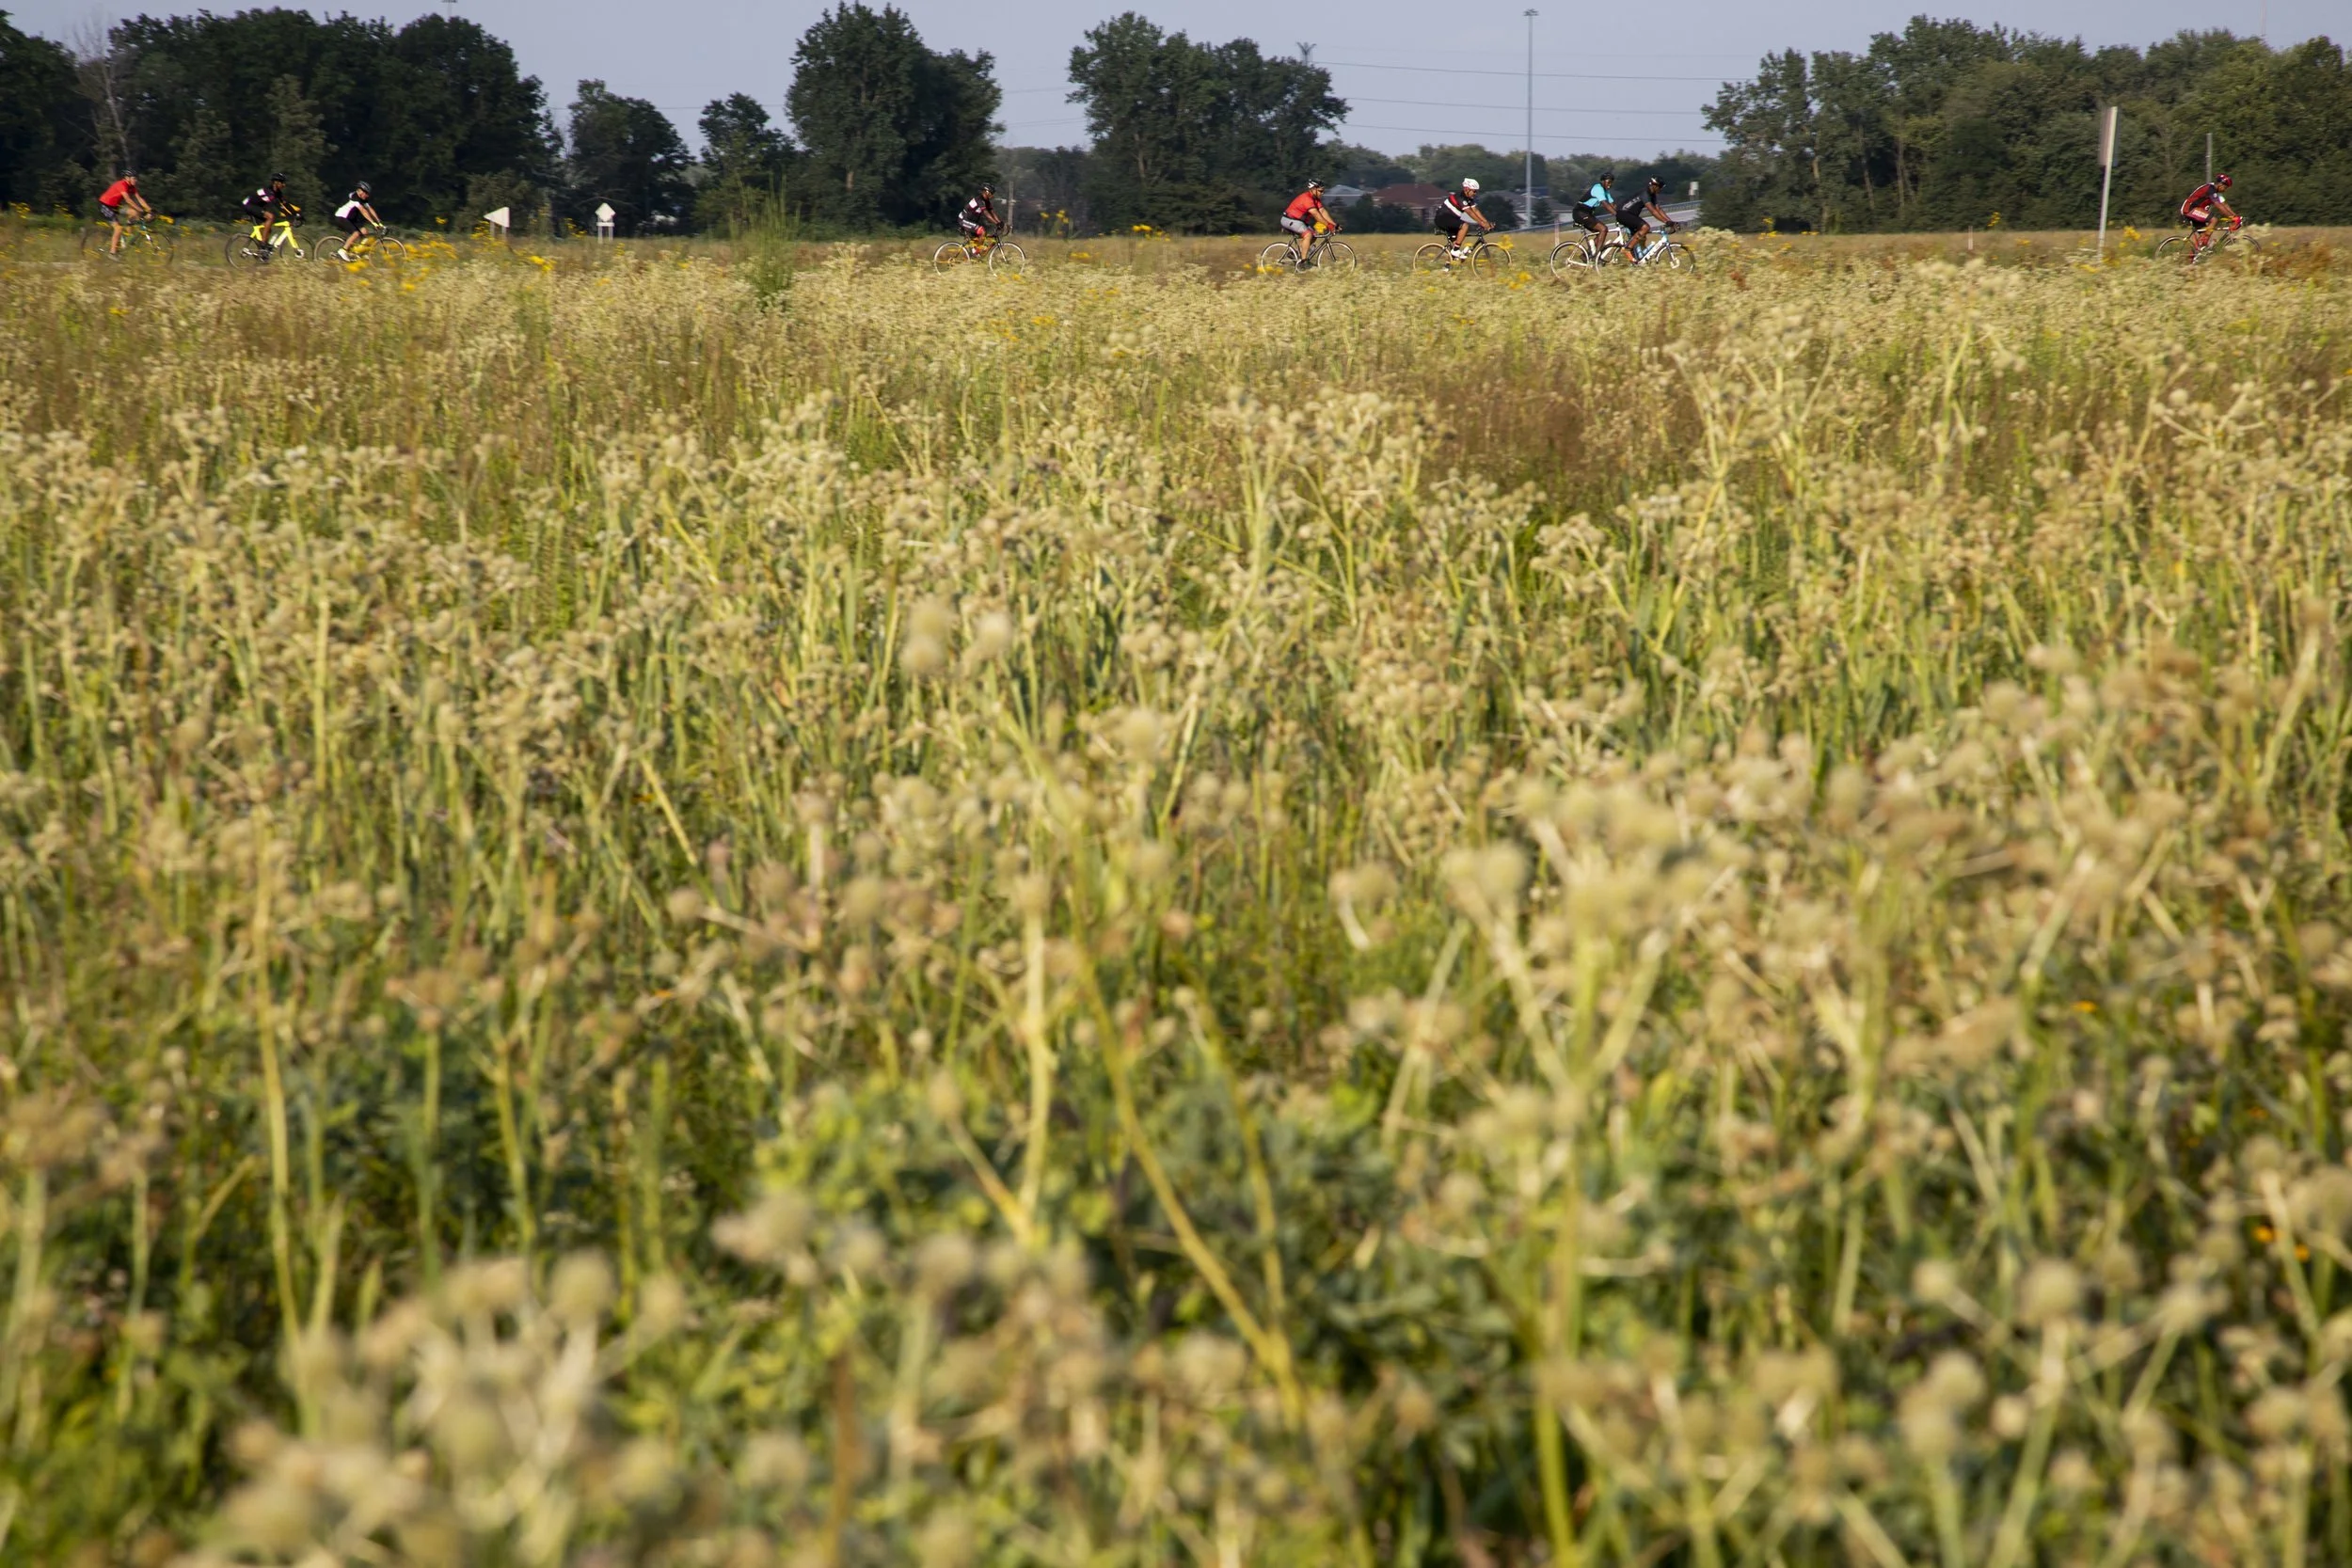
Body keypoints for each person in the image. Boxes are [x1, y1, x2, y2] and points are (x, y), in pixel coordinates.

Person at [2178, 173, 2240, 255]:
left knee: (2204, 238)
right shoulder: (2211, 189)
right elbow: (2219, 206)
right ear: (2220, 185)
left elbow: (2224, 205)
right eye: (2225, 188)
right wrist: (2232, 217)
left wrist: (2235, 216)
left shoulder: (2217, 192)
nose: (2225, 190)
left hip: (2197, 210)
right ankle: (2203, 244)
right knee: (2214, 220)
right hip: (2189, 209)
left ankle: (2193, 256)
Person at [1613, 176, 1677, 257]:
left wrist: (1670, 222)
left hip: (1630, 215)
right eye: (1660, 187)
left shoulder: (1652, 194)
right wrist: (1666, 222)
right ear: (1655, 186)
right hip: (1623, 214)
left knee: (1642, 236)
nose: (1661, 190)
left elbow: (1658, 209)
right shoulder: (1645, 193)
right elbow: (1653, 211)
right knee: (1645, 227)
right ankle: (1627, 249)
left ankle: (1639, 256)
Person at [1280, 179, 1339, 264]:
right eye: (1321, 191)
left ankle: (1295, 254)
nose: (1322, 193)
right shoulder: (1307, 199)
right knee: (1308, 235)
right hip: (1289, 219)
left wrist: (1334, 224)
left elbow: (1322, 212)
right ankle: (1303, 262)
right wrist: (1329, 225)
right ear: (1313, 189)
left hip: (1298, 221)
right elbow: (1316, 214)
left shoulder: (1316, 199)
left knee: (1314, 235)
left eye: (1323, 191)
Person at [97, 172, 153, 255]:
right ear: (127, 178)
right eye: (134, 178)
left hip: (115, 206)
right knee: (118, 228)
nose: (136, 180)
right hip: (105, 205)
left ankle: (129, 237)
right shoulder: (122, 184)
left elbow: (139, 199)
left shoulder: (132, 187)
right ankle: (112, 252)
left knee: (134, 213)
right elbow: (128, 200)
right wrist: (141, 210)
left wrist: (149, 210)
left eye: (136, 178)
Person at [1438, 178, 1491, 260]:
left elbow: (1475, 210)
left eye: (1476, 191)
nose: (1475, 193)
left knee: (1456, 249)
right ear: (1467, 189)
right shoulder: (1461, 197)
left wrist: (1486, 222)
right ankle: (1455, 250)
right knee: (1465, 226)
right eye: (1474, 191)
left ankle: (1449, 265)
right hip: (1443, 218)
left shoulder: (1469, 199)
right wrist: (1481, 223)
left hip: (1450, 219)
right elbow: (1469, 212)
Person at [331, 181, 382, 261]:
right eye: (366, 193)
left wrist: (379, 222)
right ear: (361, 191)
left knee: (364, 231)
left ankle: (358, 253)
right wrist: (373, 223)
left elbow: (370, 209)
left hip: (349, 219)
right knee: (356, 233)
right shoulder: (354, 197)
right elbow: (364, 211)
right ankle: (343, 251)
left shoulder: (362, 199)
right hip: (341, 217)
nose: (367, 195)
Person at [242, 173, 293, 249]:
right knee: (271, 217)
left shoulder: (278, 192)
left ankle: (262, 250)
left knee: (268, 228)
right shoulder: (268, 191)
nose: (284, 185)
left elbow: (286, 204)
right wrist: (288, 215)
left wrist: (296, 214)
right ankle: (263, 243)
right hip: (249, 205)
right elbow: (277, 205)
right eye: (282, 182)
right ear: (276, 183)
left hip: (257, 207)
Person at [1568, 172, 1615, 244]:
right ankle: (1598, 251)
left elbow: (1612, 205)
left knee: (1600, 233)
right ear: (1603, 181)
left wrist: (1623, 214)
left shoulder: (1605, 191)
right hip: (1580, 213)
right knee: (1603, 229)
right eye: (1608, 182)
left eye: (1611, 183)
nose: (1610, 185)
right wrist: (1616, 214)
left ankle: (1590, 250)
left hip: (1587, 214)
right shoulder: (1598, 188)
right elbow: (1605, 204)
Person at [959, 184, 1002, 251]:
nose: (992, 195)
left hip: (971, 221)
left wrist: (1000, 222)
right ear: (987, 192)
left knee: (980, 239)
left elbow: (992, 212)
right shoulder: (979, 200)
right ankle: (976, 252)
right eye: (991, 193)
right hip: (964, 219)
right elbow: (986, 214)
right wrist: (996, 223)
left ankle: (974, 253)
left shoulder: (986, 201)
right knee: (982, 232)